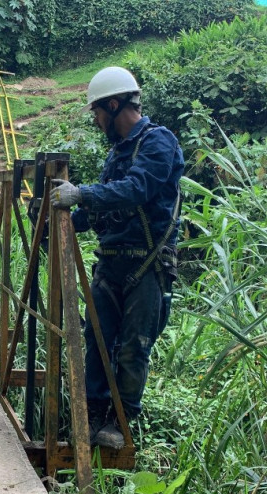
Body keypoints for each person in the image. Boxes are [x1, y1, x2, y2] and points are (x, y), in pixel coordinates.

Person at [49, 66, 184, 449]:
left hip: (147, 264)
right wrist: (60, 225)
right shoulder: (116, 154)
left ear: (114, 104)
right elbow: (96, 212)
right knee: (97, 338)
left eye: (97, 113)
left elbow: (137, 188)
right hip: (111, 262)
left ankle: (120, 423)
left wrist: (83, 193)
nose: (96, 121)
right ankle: (91, 415)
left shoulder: (159, 142)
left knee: (133, 346)